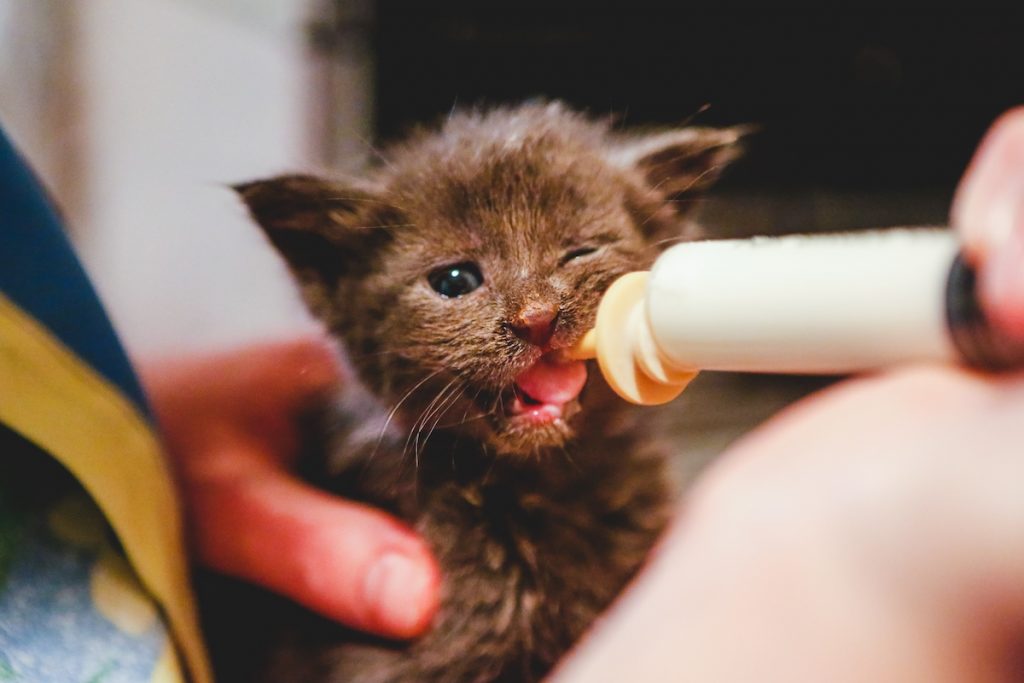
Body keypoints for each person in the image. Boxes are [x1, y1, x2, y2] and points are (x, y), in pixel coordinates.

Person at [146, 107, 1024, 680]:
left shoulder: (651, 496)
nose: (534, 310)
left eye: (578, 257)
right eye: (456, 278)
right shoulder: (394, 514)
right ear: (332, 283)